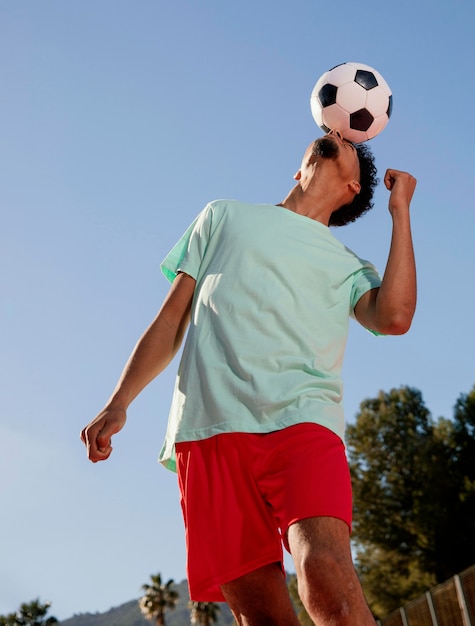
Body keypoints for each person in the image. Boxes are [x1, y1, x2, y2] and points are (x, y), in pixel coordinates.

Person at [81, 129, 417, 626]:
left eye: (349, 140)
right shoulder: (222, 217)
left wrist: (400, 211)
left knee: (326, 577)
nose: (334, 133)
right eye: (329, 130)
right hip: (208, 431)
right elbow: (171, 319)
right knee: (261, 615)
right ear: (298, 169)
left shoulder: (348, 266)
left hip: (303, 425)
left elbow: (394, 316)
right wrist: (119, 400)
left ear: (354, 187)